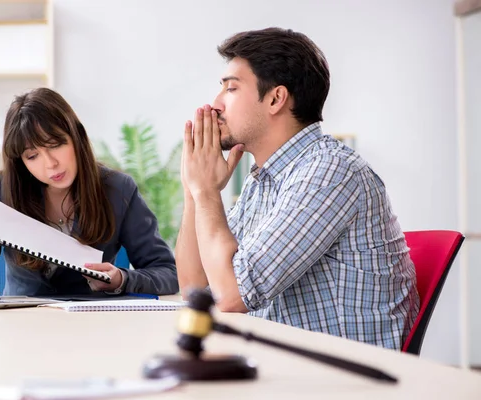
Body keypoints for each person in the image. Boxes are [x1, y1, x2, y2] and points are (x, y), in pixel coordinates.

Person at [175, 27, 419, 350]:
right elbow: (196, 287)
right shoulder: (263, 180)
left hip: (343, 382)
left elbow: (230, 295)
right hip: (280, 368)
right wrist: (195, 191)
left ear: (276, 98)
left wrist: (207, 193)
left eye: (231, 89)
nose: (216, 104)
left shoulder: (330, 172)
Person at [0, 87, 178, 297]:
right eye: (32, 156)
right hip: (18, 327)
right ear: (20, 162)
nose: (50, 164)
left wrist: (122, 279)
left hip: (94, 327)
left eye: (55, 144)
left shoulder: (118, 190)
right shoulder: (2, 193)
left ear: (76, 137)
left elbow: (169, 273)